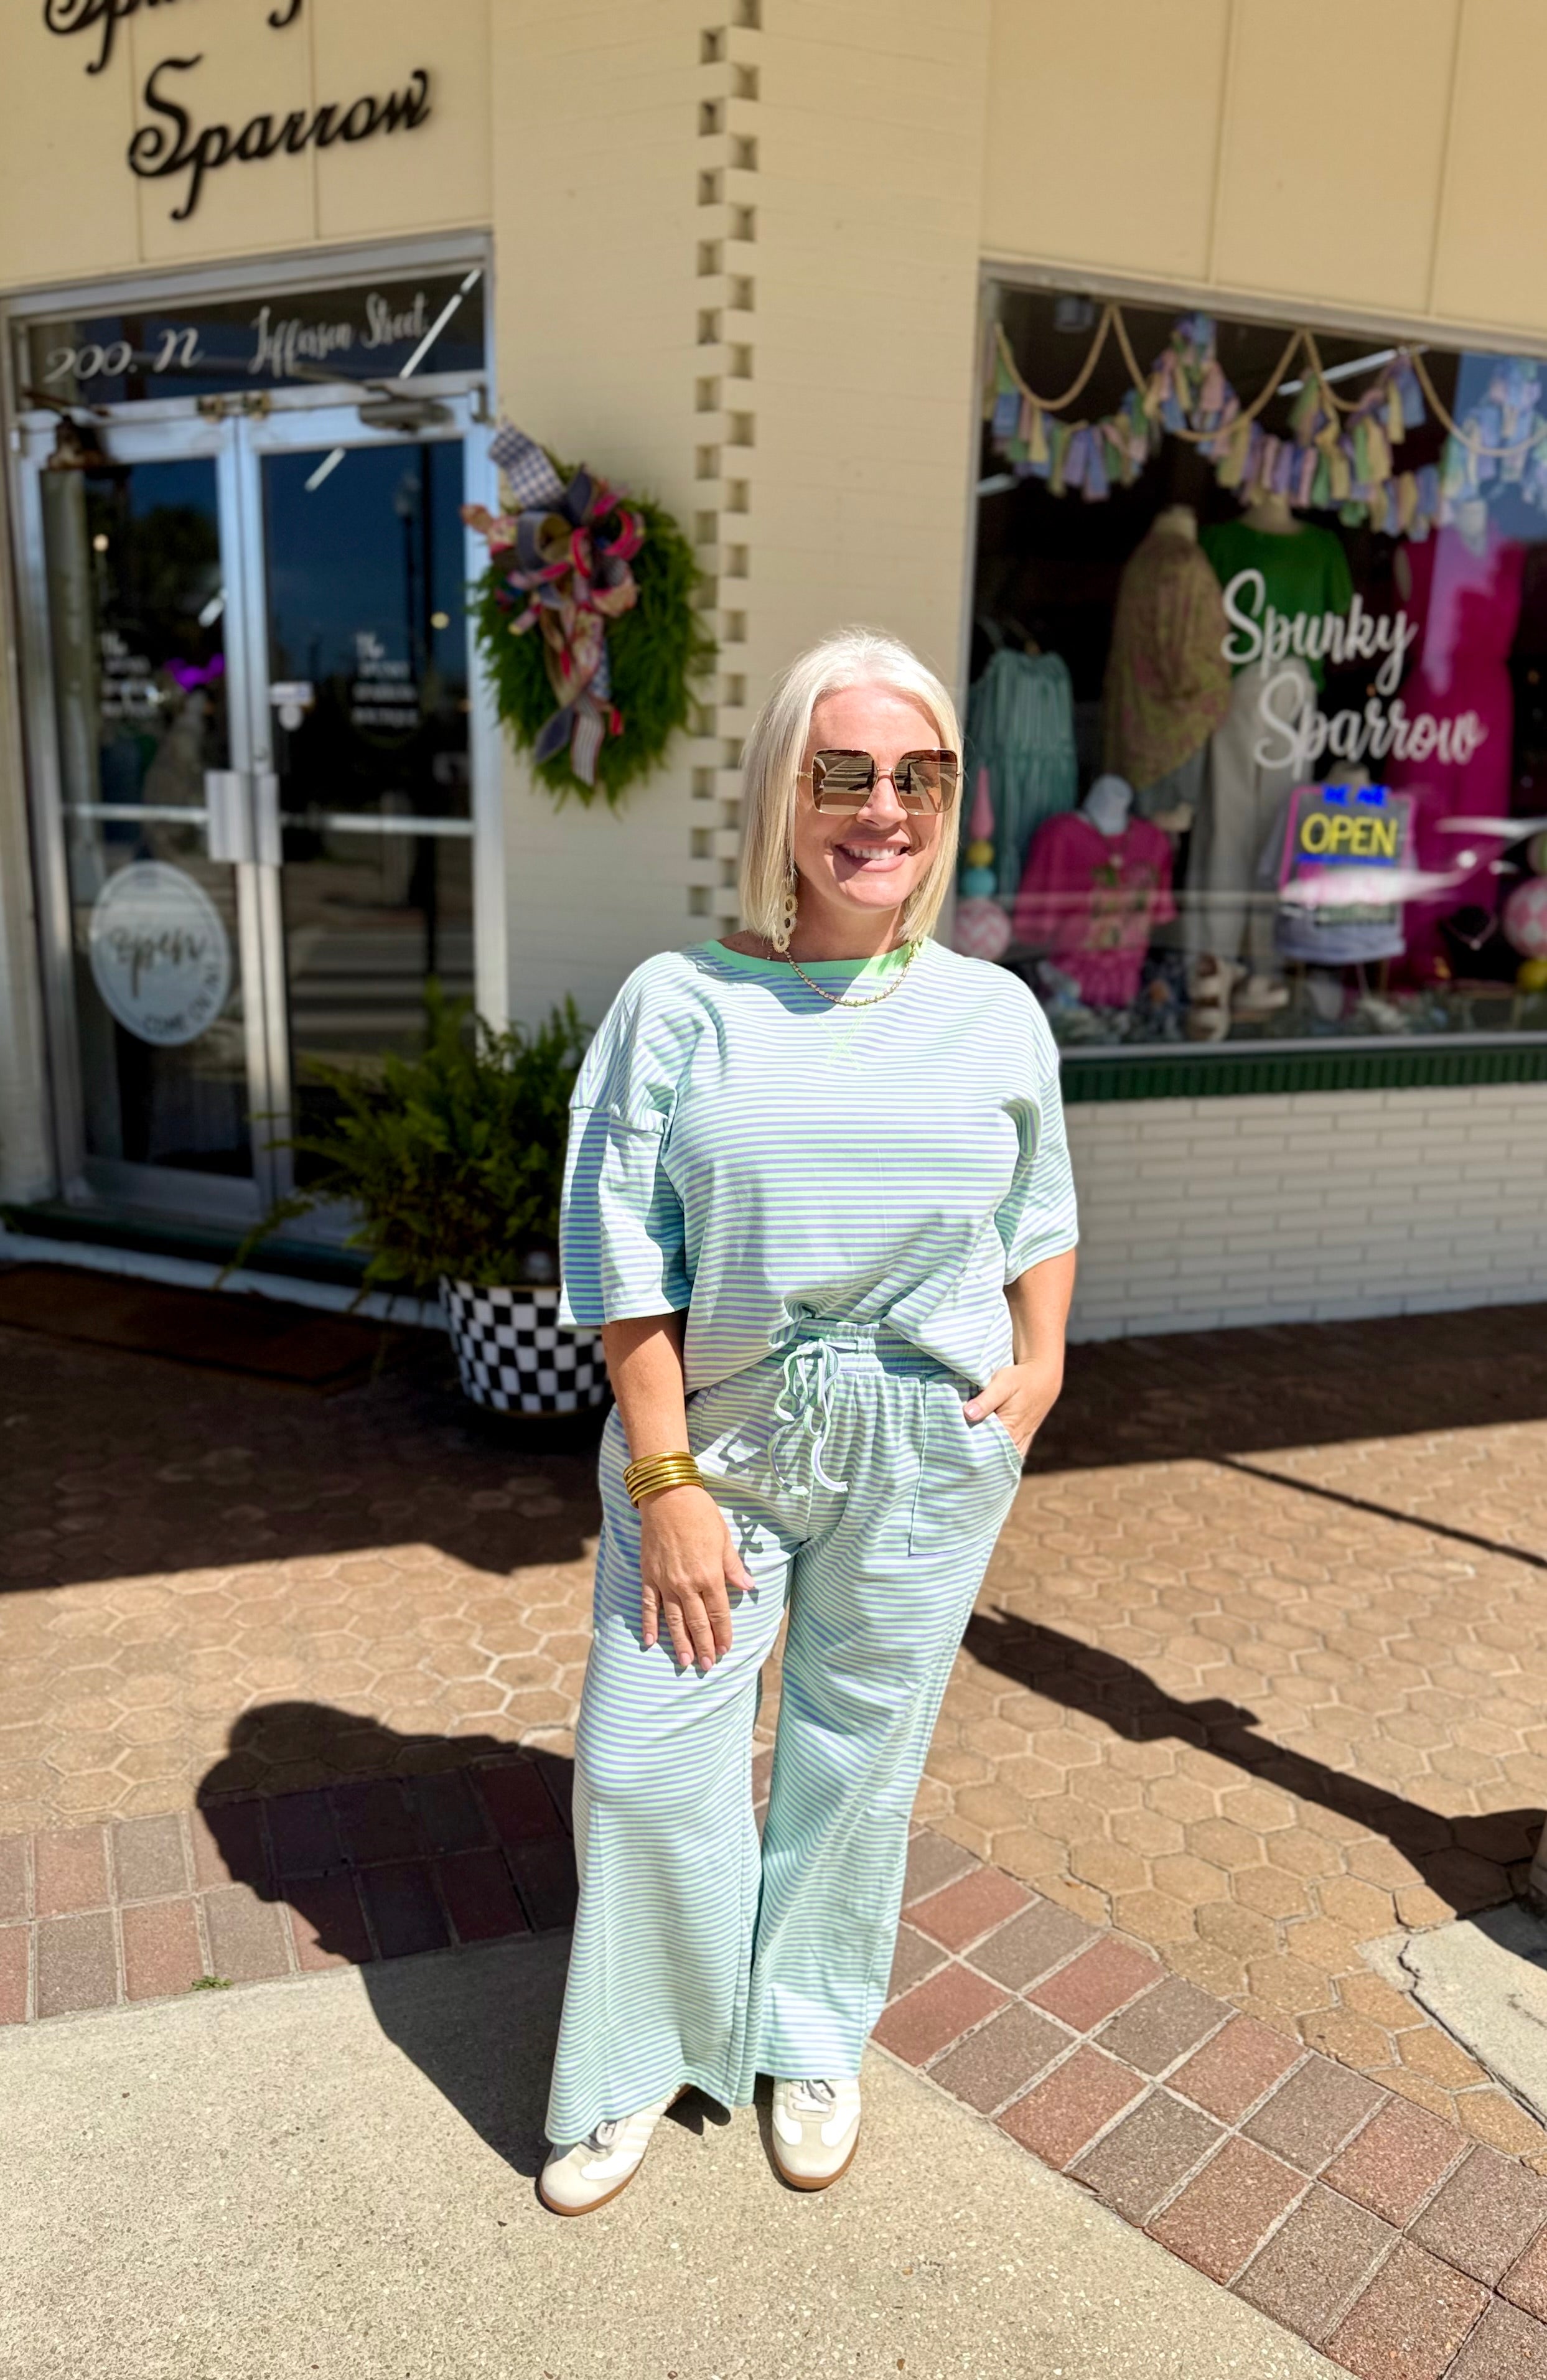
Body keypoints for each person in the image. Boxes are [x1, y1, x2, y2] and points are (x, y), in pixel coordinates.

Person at [540, 627, 1079, 2215]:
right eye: (844, 772)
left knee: (857, 1760)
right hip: (722, 1440)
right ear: (785, 789)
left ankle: (809, 2028)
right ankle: (637, 2049)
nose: (883, 809)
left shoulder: (993, 1008)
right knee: (646, 1760)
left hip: (927, 1447)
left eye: (919, 776)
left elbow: (1037, 1204)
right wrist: (662, 1477)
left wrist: (1039, 1370)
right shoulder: (681, 1000)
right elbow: (620, 1251)